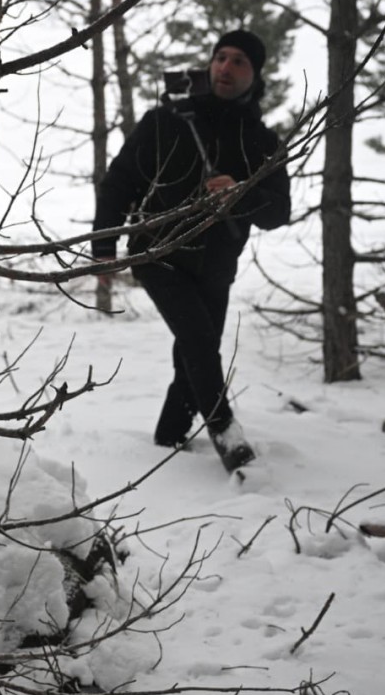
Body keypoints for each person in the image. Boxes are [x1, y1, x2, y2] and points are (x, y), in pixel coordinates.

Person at [92, 30, 290, 473]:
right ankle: (225, 430)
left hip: (217, 265)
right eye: (220, 57)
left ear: (255, 76)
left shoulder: (262, 141)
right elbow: (119, 182)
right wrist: (103, 245)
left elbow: (279, 211)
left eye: (239, 61)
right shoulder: (166, 120)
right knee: (200, 341)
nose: (225, 66)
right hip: (157, 255)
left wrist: (242, 192)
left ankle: (168, 439)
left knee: (195, 354)